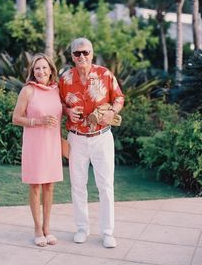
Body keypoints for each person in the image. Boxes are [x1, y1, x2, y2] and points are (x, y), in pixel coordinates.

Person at [59, 37, 124, 248]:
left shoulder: (105, 74)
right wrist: (67, 110)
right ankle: (81, 228)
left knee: (105, 186)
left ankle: (107, 232)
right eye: (77, 53)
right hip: (76, 140)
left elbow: (119, 98)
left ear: (92, 53)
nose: (82, 57)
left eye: (85, 52)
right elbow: (57, 104)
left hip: (102, 137)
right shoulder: (65, 79)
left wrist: (111, 113)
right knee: (78, 185)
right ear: (72, 56)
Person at [13, 53, 63, 247]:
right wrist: (38, 121)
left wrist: (70, 112)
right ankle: (37, 228)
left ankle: (47, 228)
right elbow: (16, 118)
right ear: (32, 72)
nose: (41, 71)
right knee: (35, 186)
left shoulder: (56, 90)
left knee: (49, 185)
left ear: (51, 69)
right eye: (37, 68)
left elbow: (61, 109)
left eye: (44, 67)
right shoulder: (28, 90)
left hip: (52, 144)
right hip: (35, 145)